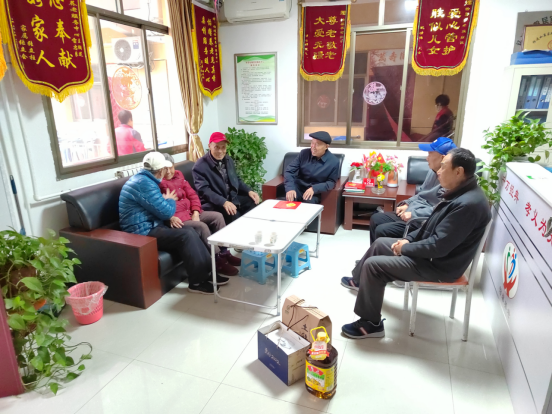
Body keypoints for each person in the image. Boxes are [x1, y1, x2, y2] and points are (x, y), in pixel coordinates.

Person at [340, 148, 491, 338]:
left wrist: (405, 248)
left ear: (458, 171)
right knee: (380, 243)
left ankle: (371, 324)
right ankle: (359, 280)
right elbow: (429, 225)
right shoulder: (458, 193)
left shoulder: (467, 205)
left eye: (443, 167)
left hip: (439, 265)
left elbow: (438, 247)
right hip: (431, 255)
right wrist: (408, 239)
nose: (438, 172)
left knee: (374, 265)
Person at [119, 151, 229, 294]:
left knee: (190, 232)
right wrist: (170, 200)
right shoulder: (145, 184)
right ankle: (197, 282)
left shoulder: (144, 179)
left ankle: (208, 273)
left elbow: (159, 206)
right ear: (160, 171)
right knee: (186, 235)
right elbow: (166, 212)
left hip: (151, 224)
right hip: (141, 231)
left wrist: (166, 202)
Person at [159, 153, 241, 276]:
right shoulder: (158, 182)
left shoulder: (179, 175)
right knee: (202, 227)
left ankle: (225, 253)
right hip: (177, 218)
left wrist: (196, 212)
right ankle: (217, 261)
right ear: (160, 169)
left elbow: (192, 195)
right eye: (165, 169)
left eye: (171, 167)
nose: (169, 171)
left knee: (217, 216)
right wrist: (170, 217)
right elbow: (159, 206)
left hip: (191, 212)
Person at [369, 137, 457, 244]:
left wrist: (414, 214)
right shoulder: (432, 171)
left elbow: (441, 210)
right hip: (412, 212)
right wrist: (407, 203)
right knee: (376, 218)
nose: (427, 158)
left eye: (430, 154)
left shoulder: (450, 181)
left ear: (443, 158)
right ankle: (373, 253)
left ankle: (384, 253)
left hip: (421, 221)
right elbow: (421, 194)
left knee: (382, 230)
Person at [192, 132, 260, 224]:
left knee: (252, 201)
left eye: (223, 147)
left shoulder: (228, 160)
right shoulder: (200, 166)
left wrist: (249, 191)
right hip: (215, 203)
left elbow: (236, 179)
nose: (220, 151)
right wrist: (224, 202)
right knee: (232, 213)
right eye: (216, 147)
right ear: (209, 146)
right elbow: (204, 191)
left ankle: (252, 228)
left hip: (231, 198)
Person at [284, 131, 340, 204]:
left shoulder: (334, 161)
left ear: (326, 146)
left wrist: (314, 188)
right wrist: (290, 188)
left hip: (315, 192)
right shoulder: (304, 154)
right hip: (299, 188)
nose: (313, 147)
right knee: (289, 200)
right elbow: (289, 171)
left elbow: (331, 182)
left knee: (308, 204)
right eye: (312, 143)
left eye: (317, 144)